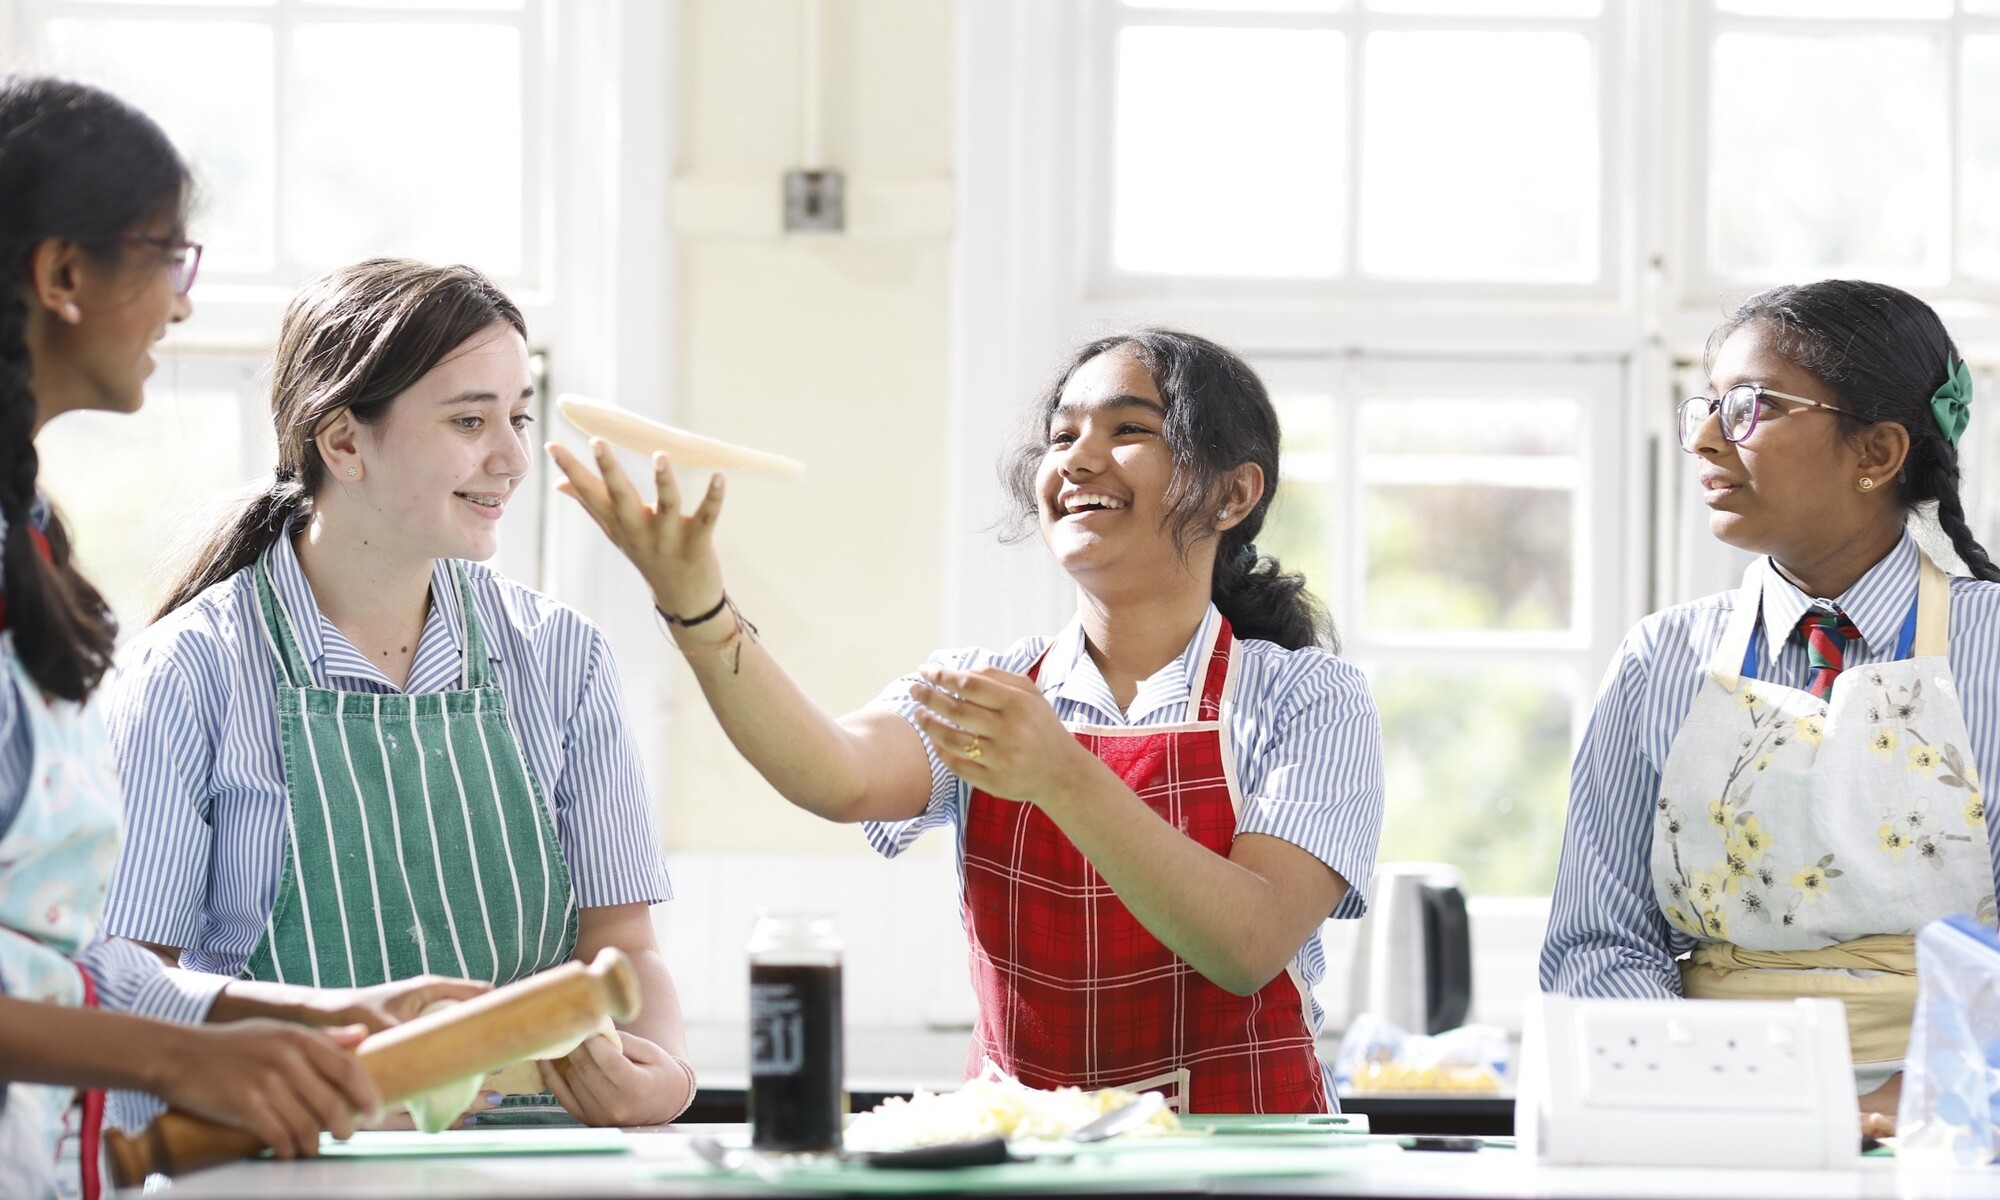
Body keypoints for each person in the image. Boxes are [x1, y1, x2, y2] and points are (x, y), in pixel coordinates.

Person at [550, 329, 1384, 1113]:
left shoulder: (1307, 703)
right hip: (1018, 1161)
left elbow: (1247, 944)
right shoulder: (989, 690)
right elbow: (832, 771)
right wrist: (697, 607)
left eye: (1131, 428)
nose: (1079, 458)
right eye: (1061, 438)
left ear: (1233, 493)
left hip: (1241, 1163)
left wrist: (1061, 773)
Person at [0, 77, 498, 1200]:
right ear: (62, 276)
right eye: (169, 257)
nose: (183, 307)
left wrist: (311, 1013)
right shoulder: (192, 661)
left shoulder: (26, 542)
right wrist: (183, 1055)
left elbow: (51, 957)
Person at [102, 258, 695, 1129]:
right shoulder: (189, 676)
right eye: (469, 420)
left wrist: (667, 1077)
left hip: (535, 1161)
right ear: (343, 443)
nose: (513, 458)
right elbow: (127, 985)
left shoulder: (564, 659)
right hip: (284, 1157)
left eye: (519, 419)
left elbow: (624, 946)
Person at [1541, 280, 2000, 1131]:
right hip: (1707, 1119)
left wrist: (1922, 1098)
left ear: (1877, 453)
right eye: (1706, 407)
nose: (1707, 439)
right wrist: (1712, 1095)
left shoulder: (1994, 654)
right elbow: (1598, 943)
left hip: (1958, 1127)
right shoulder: (1659, 661)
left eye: (1749, 407)